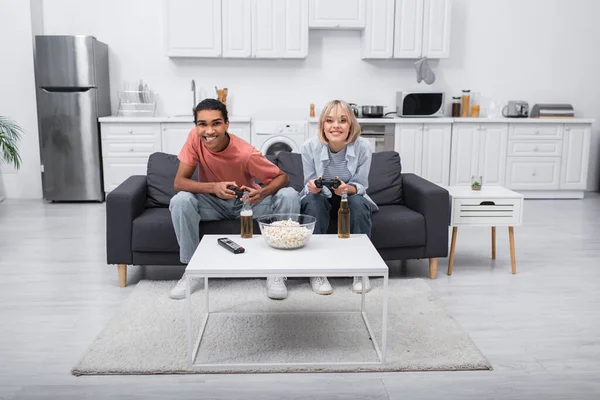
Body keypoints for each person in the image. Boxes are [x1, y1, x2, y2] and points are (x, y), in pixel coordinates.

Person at [169, 99, 300, 300]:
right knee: (180, 200)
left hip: (246, 204)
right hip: (212, 203)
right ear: (196, 126)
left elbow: (283, 177)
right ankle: (193, 271)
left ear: (227, 125)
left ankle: (277, 271)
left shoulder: (245, 153)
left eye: (216, 123)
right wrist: (213, 187)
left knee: (289, 194)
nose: (209, 131)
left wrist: (262, 193)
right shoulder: (194, 139)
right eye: (202, 124)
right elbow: (179, 182)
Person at [300, 100, 378, 295]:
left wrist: (347, 189)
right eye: (330, 120)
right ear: (322, 125)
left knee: (358, 203)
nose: (336, 126)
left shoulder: (363, 147)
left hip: (349, 196)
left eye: (342, 120)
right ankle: (316, 271)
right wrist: (313, 187)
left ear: (350, 124)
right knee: (312, 201)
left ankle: (361, 270)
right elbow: (309, 183)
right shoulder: (309, 147)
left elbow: (361, 185)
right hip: (321, 197)